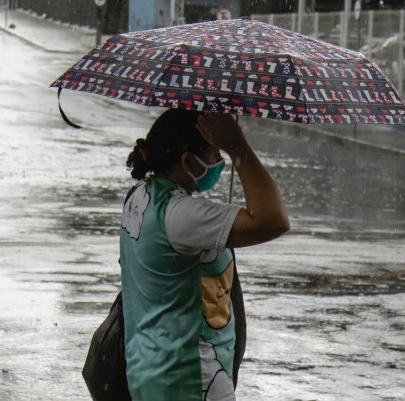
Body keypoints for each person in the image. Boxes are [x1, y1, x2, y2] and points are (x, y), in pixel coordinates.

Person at [120, 109, 289, 401]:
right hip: (191, 379)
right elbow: (273, 220)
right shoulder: (181, 216)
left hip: (149, 370)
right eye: (215, 155)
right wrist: (239, 148)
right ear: (188, 162)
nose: (220, 164)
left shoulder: (140, 199)